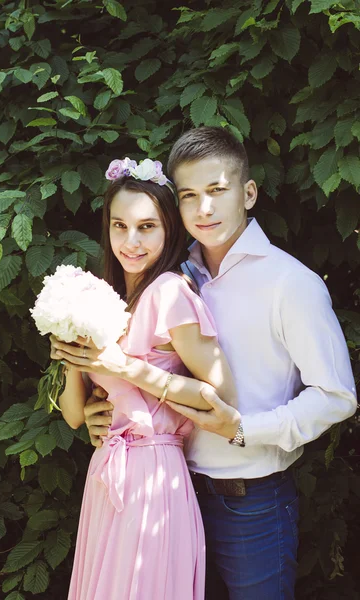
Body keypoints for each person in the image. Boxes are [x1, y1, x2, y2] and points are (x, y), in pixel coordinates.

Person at [72, 127, 357, 600]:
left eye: (217, 191)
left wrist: (244, 428)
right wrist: (102, 413)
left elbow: (337, 397)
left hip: (250, 502)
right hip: (165, 492)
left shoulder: (291, 283)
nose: (203, 209)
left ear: (247, 193)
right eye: (189, 196)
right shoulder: (167, 273)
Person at [51, 156, 238, 600]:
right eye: (119, 226)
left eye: (146, 227)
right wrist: (72, 355)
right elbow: (76, 418)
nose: (130, 242)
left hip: (155, 475)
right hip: (108, 471)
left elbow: (222, 395)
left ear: (169, 229)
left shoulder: (169, 292)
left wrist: (124, 367)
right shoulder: (109, 298)